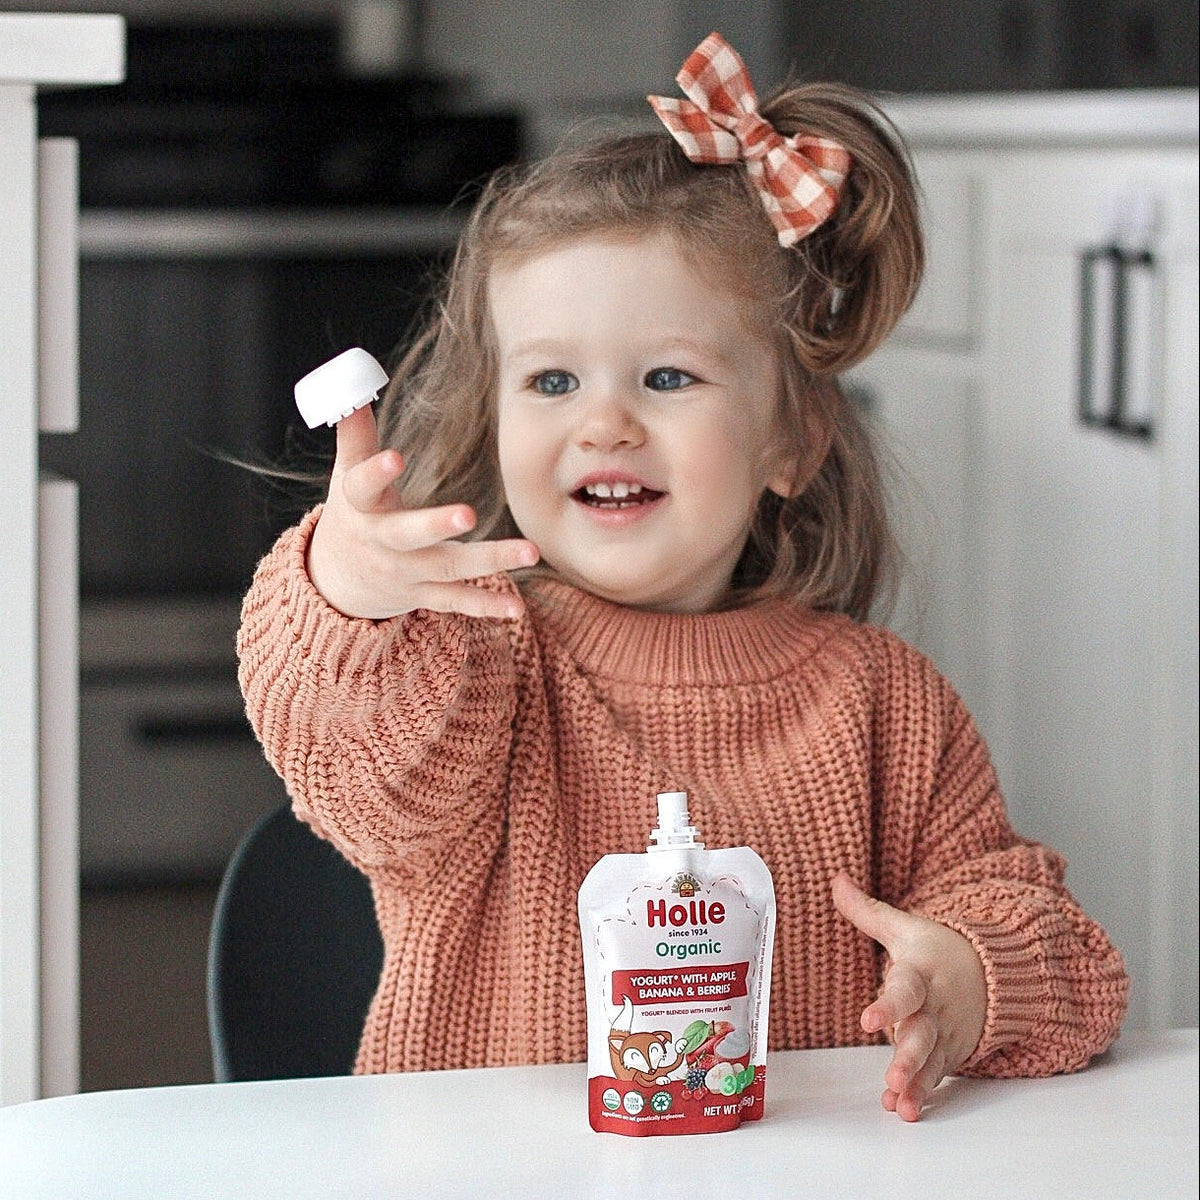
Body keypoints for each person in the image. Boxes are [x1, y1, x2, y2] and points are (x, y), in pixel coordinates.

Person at [237, 32, 1128, 1122]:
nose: (604, 420)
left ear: (791, 439)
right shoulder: (468, 665)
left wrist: (967, 979)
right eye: (552, 379)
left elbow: (1062, 954)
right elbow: (347, 756)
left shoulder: (886, 705)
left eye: (667, 376)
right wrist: (351, 587)